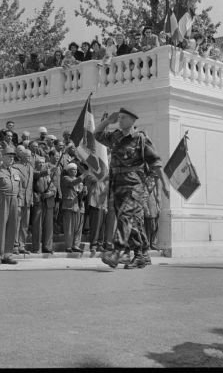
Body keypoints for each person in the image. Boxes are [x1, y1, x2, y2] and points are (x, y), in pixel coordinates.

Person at [95, 108, 166, 269]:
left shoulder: (141, 139)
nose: (120, 120)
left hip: (135, 185)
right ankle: (140, 254)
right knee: (132, 222)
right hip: (117, 185)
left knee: (126, 217)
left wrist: (165, 185)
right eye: (119, 118)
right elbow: (96, 134)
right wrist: (107, 121)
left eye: (123, 118)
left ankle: (117, 251)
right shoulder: (115, 137)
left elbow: (155, 163)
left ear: (133, 120)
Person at [0, 145, 25, 265]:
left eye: (13, 157)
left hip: (14, 199)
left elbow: (21, 189)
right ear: (3, 157)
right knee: (0, 228)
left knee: (12, 228)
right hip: (2, 199)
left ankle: (8, 255)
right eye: (9, 156)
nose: (12, 159)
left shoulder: (16, 171)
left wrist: (19, 203)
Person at [31, 149, 56, 254]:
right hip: (39, 201)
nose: (41, 164)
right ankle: (36, 247)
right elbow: (37, 175)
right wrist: (46, 171)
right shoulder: (34, 173)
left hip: (48, 202)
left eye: (42, 162)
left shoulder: (47, 175)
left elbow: (54, 188)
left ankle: (47, 247)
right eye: (39, 163)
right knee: (37, 226)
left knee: (49, 226)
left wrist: (50, 193)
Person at [60, 162, 86, 253]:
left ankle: (76, 245)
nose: (75, 171)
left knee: (78, 228)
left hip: (78, 205)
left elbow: (80, 194)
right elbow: (72, 183)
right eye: (72, 170)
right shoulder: (65, 178)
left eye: (75, 169)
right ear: (68, 171)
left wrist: (83, 192)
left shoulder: (78, 180)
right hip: (69, 205)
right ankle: (68, 246)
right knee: (69, 227)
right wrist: (84, 174)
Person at [13, 146, 34, 255]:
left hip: (28, 199)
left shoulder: (31, 167)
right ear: (22, 157)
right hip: (19, 198)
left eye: (30, 156)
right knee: (16, 223)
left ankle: (22, 245)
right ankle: (15, 245)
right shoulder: (16, 167)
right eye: (27, 156)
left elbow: (32, 184)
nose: (30, 158)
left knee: (24, 224)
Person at [84, 169, 109, 256]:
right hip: (94, 203)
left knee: (102, 226)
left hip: (102, 204)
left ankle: (100, 244)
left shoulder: (104, 176)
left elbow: (105, 190)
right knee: (95, 226)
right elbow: (91, 180)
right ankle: (93, 245)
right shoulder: (91, 174)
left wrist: (106, 205)